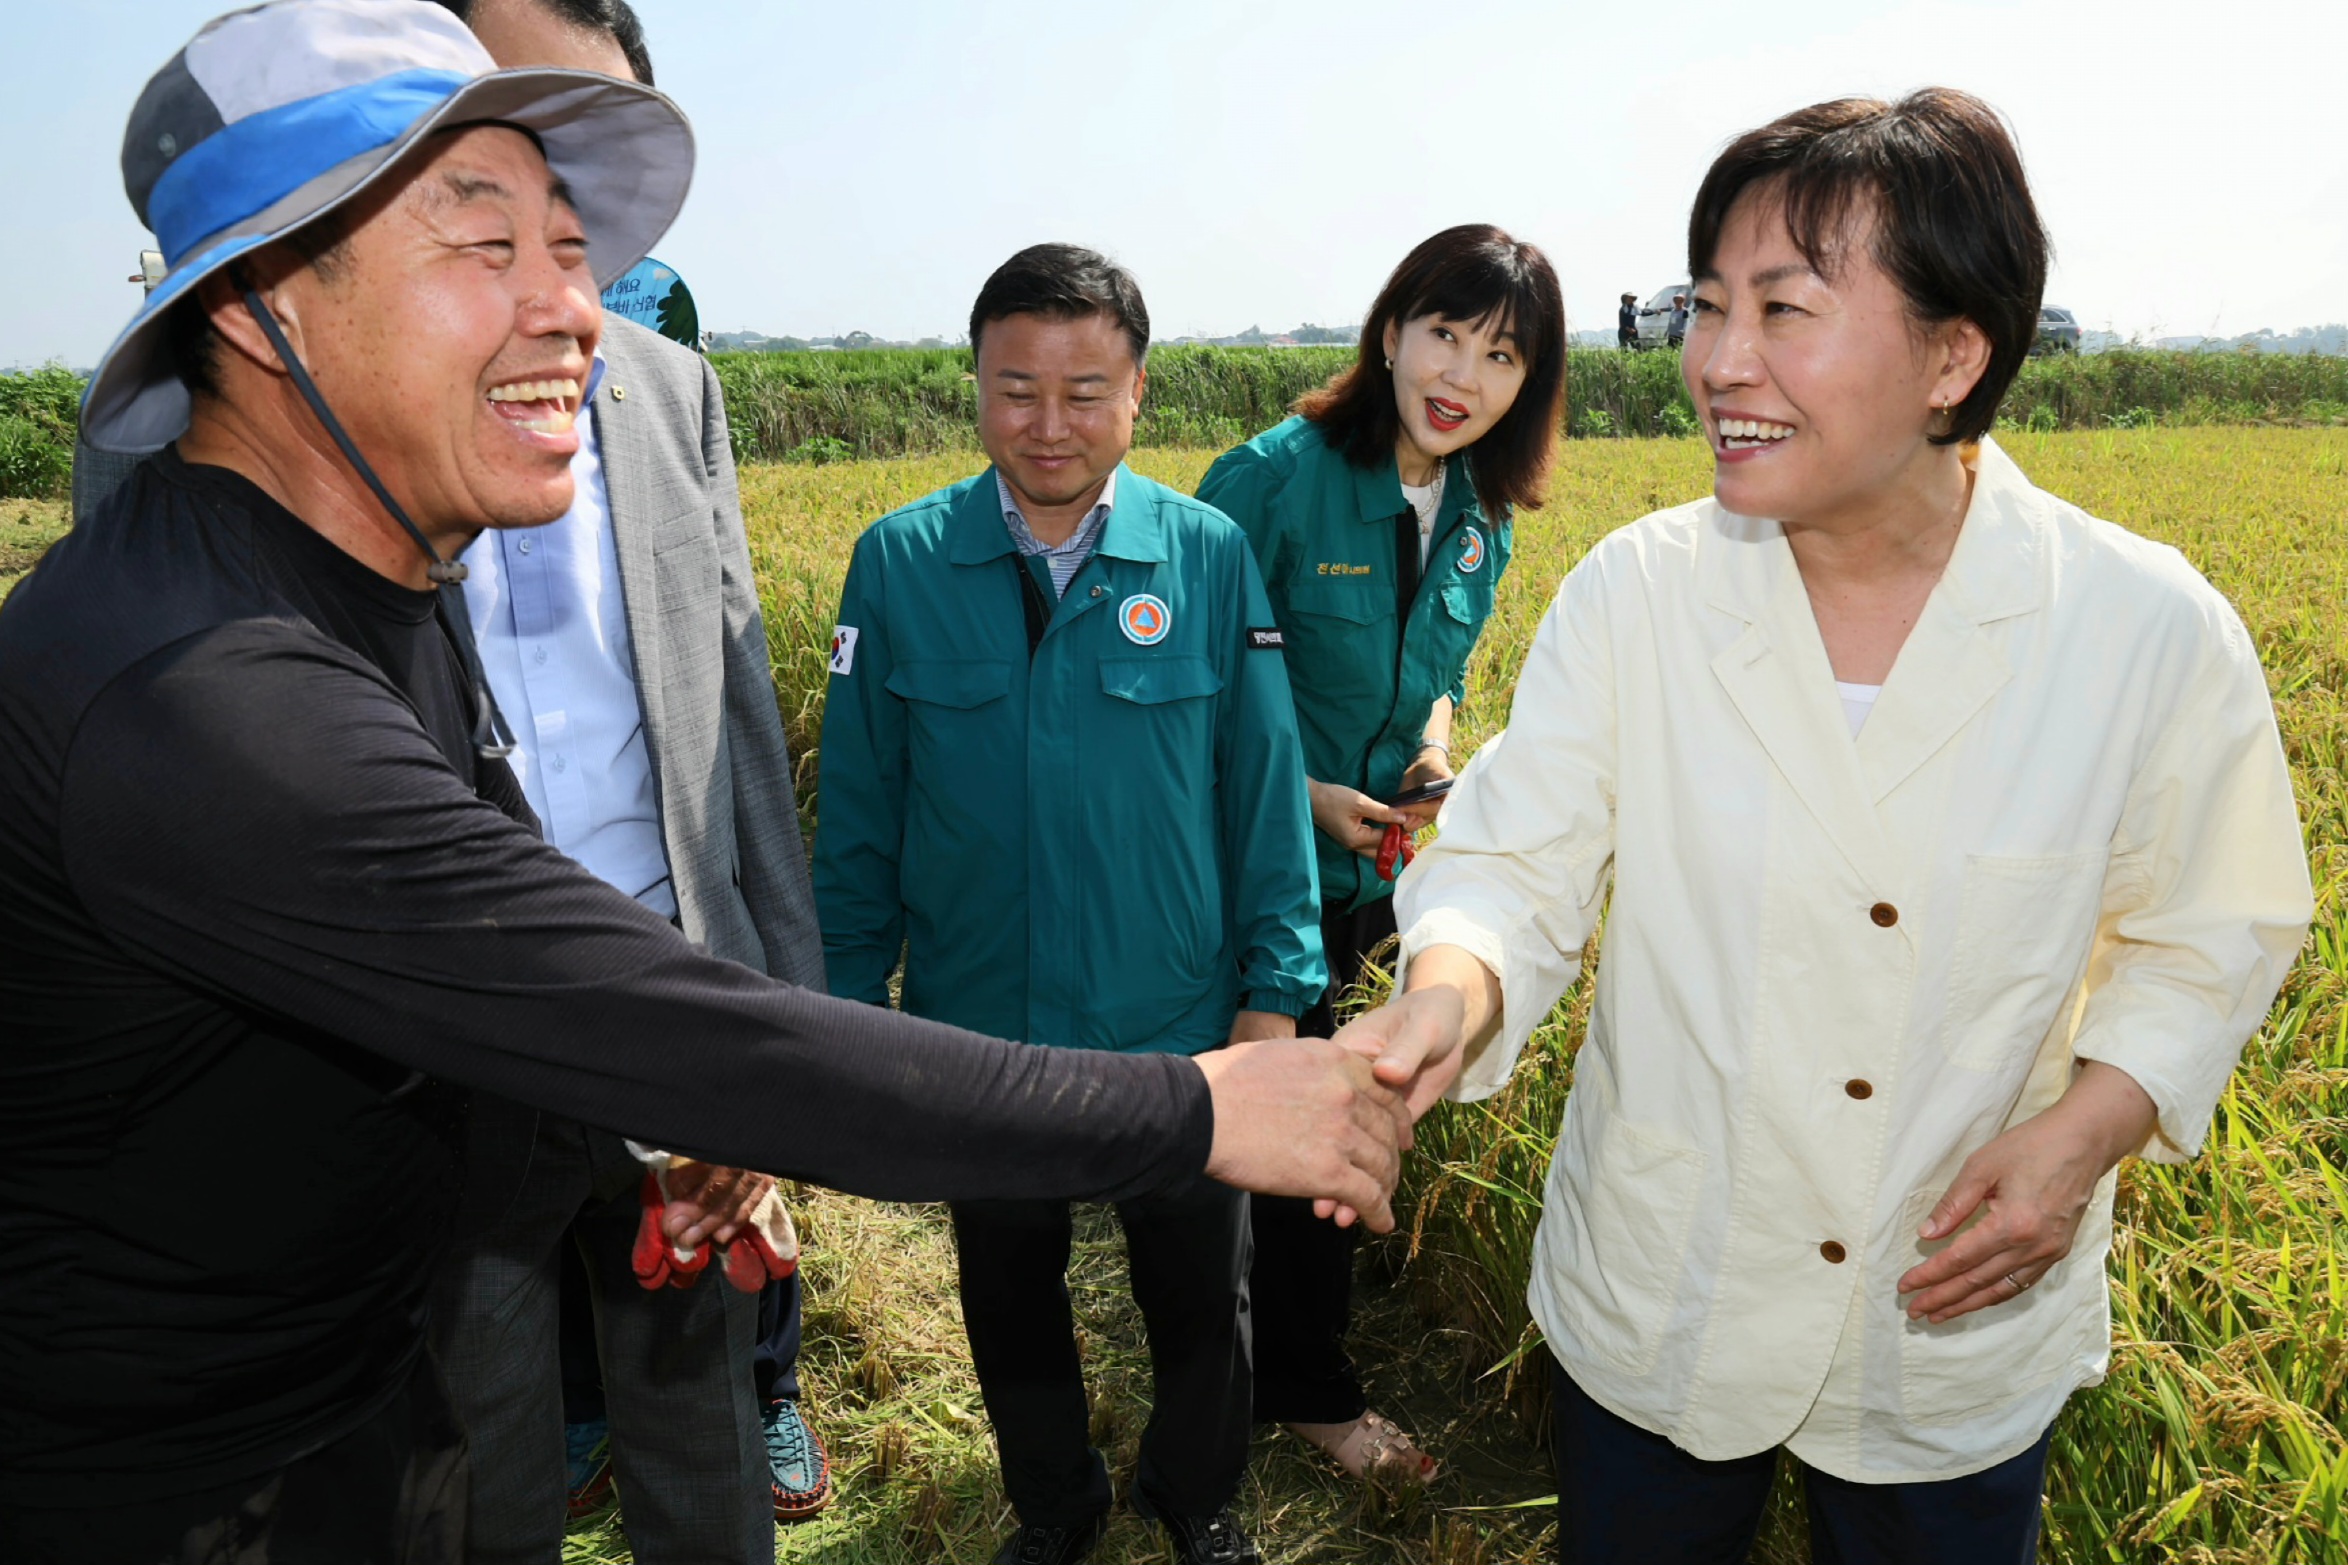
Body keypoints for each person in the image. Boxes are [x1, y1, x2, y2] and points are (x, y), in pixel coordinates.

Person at [0, 7, 1407, 1559]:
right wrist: (1196, 1106)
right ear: (267, 305)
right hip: (186, 1482)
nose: (574, 312)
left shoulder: (374, 580)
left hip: (346, 1391)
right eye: (483, 248)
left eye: (571, 245)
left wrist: (659, 1134)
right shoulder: (210, 693)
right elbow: (606, 1001)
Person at [1338, 89, 2312, 1564]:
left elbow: (2213, 929)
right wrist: (1443, 996)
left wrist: (2084, 1135)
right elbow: (1515, 866)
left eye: (1785, 309)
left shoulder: (2141, 632)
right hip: (1667, 1281)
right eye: (1707, 305)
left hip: (1950, 1309)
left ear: (1953, 355)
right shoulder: (1642, 595)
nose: (1719, 363)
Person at [812, 244, 1324, 1565]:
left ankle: (1196, 1493)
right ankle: (1054, 1504)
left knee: (1202, 1289)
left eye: (1086, 391)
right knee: (1010, 1287)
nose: (1051, 425)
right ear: (974, 387)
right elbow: (861, 815)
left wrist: (1274, 999)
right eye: (1018, 389)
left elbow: (1264, 789)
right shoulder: (902, 561)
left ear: (1139, 393)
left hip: (1177, 1017)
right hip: (986, 1023)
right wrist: (845, 1018)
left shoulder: (1204, 556)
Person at [420, 0, 832, 1548]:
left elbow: (730, 716)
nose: (548, 191)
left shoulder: (669, 389)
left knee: (699, 1424)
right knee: (477, 1450)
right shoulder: (300, 405)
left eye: (588, 148)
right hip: (438, 1035)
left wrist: (773, 1026)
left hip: (669, 1003)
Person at [1194, 224, 1566, 1488]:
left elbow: (1435, 690)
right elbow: (1167, 687)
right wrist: (1303, 796)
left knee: (1336, 1124)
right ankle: (1294, 1394)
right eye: (1446, 331)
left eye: (1502, 352)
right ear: (1391, 329)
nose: (1463, 371)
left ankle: (1283, 1371)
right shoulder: (1269, 479)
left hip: (1375, 876)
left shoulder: (1478, 519)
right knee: (1268, 1128)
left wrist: (1426, 760)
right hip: (1248, 870)